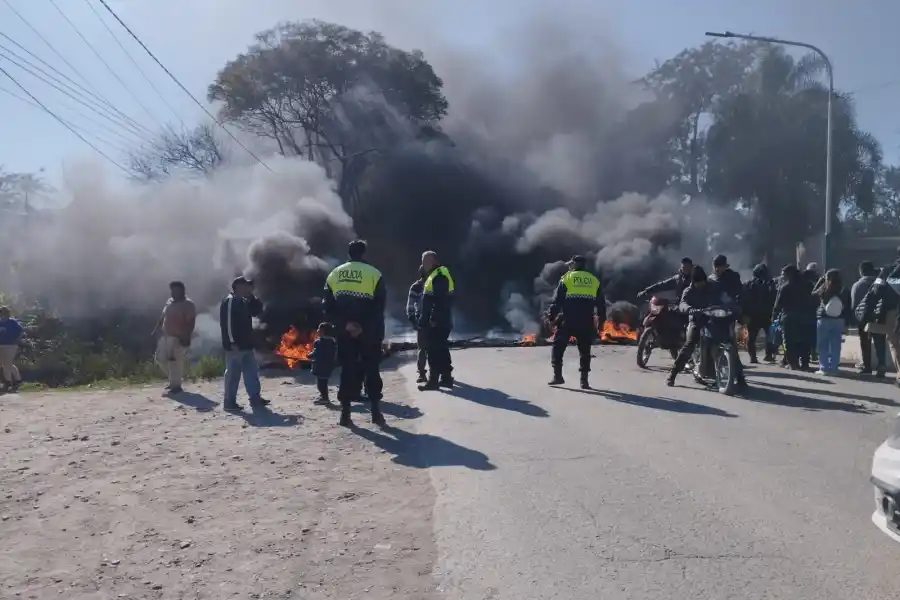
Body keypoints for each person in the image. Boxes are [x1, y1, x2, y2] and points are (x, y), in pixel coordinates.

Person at [323, 239, 387, 426]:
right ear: (364, 254)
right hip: (370, 332)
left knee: (347, 370)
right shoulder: (374, 274)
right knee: (371, 369)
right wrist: (363, 327)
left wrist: (346, 325)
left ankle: (345, 414)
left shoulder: (335, 274)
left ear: (349, 254)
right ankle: (376, 413)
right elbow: (379, 307)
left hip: (344, 333)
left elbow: (327, 307)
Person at [667, 266, 737, 387]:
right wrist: (690, 309)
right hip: (696, 319)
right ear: (693, 282)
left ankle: (739, 377)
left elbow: (725, 298)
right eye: (698, 283)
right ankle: (672, 374)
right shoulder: (688, 291)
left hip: (713, 318)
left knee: (729, 339)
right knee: (689, 344)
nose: (701, 285)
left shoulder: (714, 287)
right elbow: (683, 304)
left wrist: (732, 305)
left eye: (702, 282)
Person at [547, 255, 606, 389]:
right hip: (586, 321)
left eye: (571, 264)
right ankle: (584, 381)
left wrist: (551, 317)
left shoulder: (567, 278)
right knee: (585, 351)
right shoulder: (593, 280)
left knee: (558, 348)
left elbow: (557, 301)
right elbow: (601, 304)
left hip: (568, 320)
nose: (569, 266)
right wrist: (601, 321)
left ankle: (558, 376)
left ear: (574, 265)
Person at [219, 276, 269, 412]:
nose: (249, 288)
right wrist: (231, 342)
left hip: (247, 345)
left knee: (252, 372)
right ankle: (229, 402)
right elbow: (227, 324)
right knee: (233, 374)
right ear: (238, 286)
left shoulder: (244, 300)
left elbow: (258, 311)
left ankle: (255, 398)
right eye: (246, 286)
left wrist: (252, 297)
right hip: (235, 346)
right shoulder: (230, 301)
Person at [418, 251, 455, 391]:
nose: (423, 264)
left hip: (437, 322)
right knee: (441, 349)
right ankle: (446, 378)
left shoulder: (439, 276)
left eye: (425, 261)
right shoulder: (437, 274)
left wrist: (433, 319)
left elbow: (440, 301)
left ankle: (433, 381)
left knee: (433, 351)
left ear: (433, 261)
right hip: (442, 321)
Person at [858, 265, 900, 387]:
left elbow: (875, 291)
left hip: (893, 311)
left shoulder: (888, 271)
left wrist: (866, 314)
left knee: (895, 343)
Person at [152, 281, 196, 394]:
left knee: (175, 361)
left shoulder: (188, 304)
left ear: (183, 291)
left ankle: (176, 385)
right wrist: (156, 328)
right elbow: (162, 316)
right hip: (165, 335)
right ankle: (174, 380)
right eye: (172, 290)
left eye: (177, 290)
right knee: (160, 358)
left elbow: (191, 322)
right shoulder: (169, 302)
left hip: (178, 337)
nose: (174, 292)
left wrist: (187, 336)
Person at [813, 269, 849, 375]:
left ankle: (823, 368)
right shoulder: (844, 289)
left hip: (823, 318)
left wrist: (820, 282)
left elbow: (812, 294)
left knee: (822, 344)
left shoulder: (824, 289)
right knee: (836, 345)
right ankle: (834, 368)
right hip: (839, 319)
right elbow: (848, 305)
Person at [851, 261, 885, 377]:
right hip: (878, 317)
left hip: (863, 318)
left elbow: (854, 304)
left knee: (865, 343)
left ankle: (867, 366)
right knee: (879, 342)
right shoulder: (881, 283)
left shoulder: (857, 285)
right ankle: (881, 366)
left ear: (861, 271)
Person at [772, 265, 808, 370]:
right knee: (801, 340)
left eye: (784, 274)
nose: (782, 276)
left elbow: (778, 304)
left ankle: (793, 363)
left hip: (788, 317)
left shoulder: (785, 287)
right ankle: (804, 362)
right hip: (803, 316)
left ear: (789, 274)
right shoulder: (805, 285)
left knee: (789, 341)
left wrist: (774, 315)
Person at [741, 264, 777, 363]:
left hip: (753, 315)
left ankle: (753, 357)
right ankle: (768, 355)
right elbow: (774, 298)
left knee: (752, 337)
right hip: (766, 314)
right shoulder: (770, 284)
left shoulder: (747, 284)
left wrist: (743, 314)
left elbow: (742, 300)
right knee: (769, 336)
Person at [406, 266, 428, 383]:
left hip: (434, 319)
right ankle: (422, 373)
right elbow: (410, 305)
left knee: (436, 348)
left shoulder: (437, 284)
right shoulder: (416, 287)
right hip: (422, 320)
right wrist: (413, 319)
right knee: (422, 349)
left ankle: (443, 373)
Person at [308, 322, 337, 405]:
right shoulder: (332, 341)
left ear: (322, 331)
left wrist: (309, 355)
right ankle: (323, 396)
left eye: (318, 329)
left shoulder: (320, 342)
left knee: (321, 384)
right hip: (328, 366)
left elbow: (316, 353)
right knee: (323, 382)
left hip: (321, 366)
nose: (317, 331)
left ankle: (324, 398)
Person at [0, 306, 23, 393]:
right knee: (6, 363)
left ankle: (8, 382)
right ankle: (18, 380)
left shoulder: (12, 322)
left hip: (11, 345)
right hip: (1, 345)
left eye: (3, 313)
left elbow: (21, 331)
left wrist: (16, 340)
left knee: (7, 363)